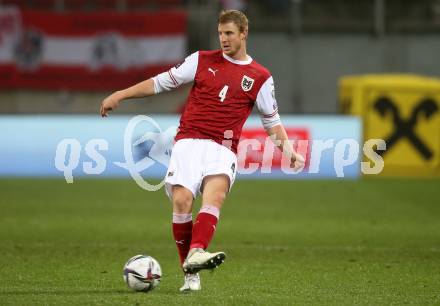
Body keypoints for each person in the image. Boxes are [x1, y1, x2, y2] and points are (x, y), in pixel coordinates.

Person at [100, 10, 305, 292]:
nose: (223, 39)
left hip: (223, 147)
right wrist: (120, 94)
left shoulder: (260, 77)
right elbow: (160, 82)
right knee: (182, 201)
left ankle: (197, 250)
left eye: (230, 33)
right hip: (189, 141)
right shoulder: (201, 60)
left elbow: (272, 123)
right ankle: (190, 273)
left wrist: (290, 151)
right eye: (221, 33)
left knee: (215, 196)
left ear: (244, 34)